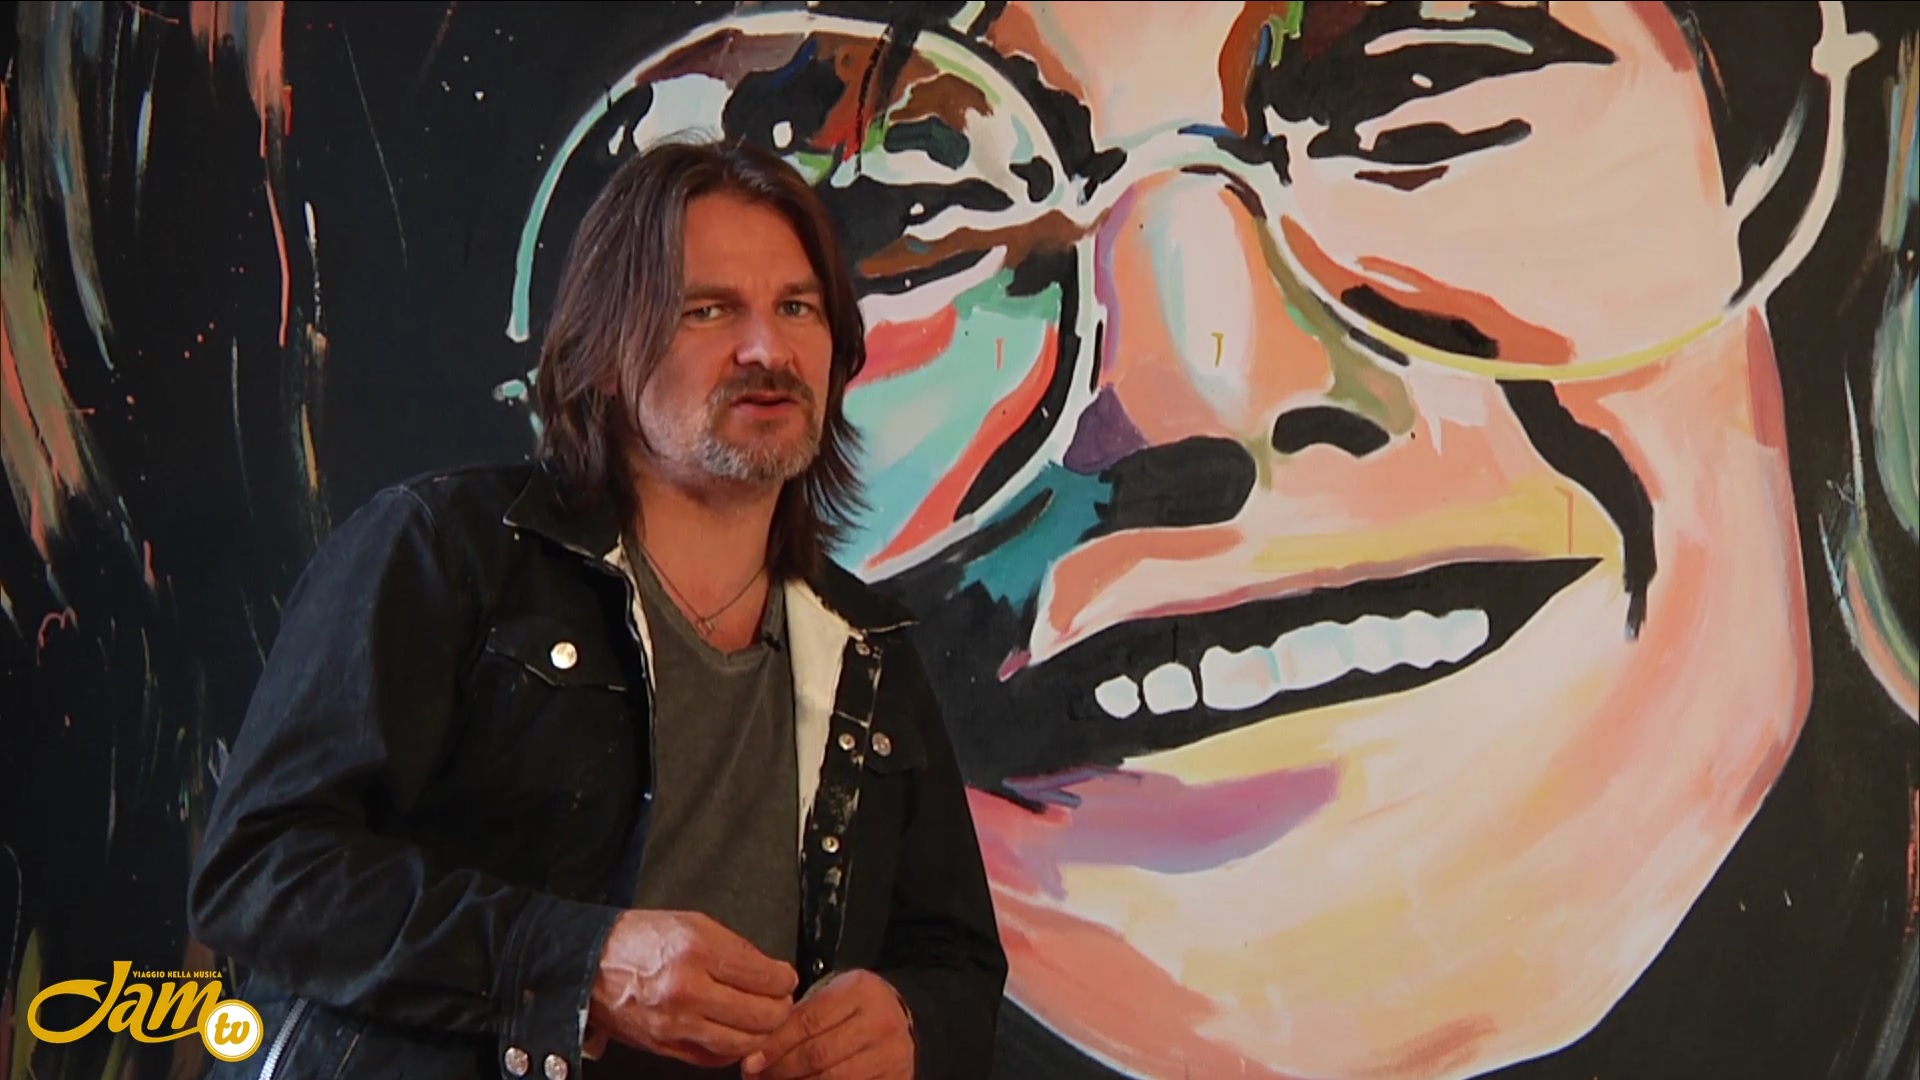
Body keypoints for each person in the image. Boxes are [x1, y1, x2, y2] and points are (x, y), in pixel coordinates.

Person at [185, 136, 1008, 1080]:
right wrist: (581, 966)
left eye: (798, 308)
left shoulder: (870, 650)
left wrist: (910, 1022)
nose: (767, 350)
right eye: (708, 310)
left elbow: (958, 963)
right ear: (607, 357)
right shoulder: (445, 552)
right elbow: (259, 871)